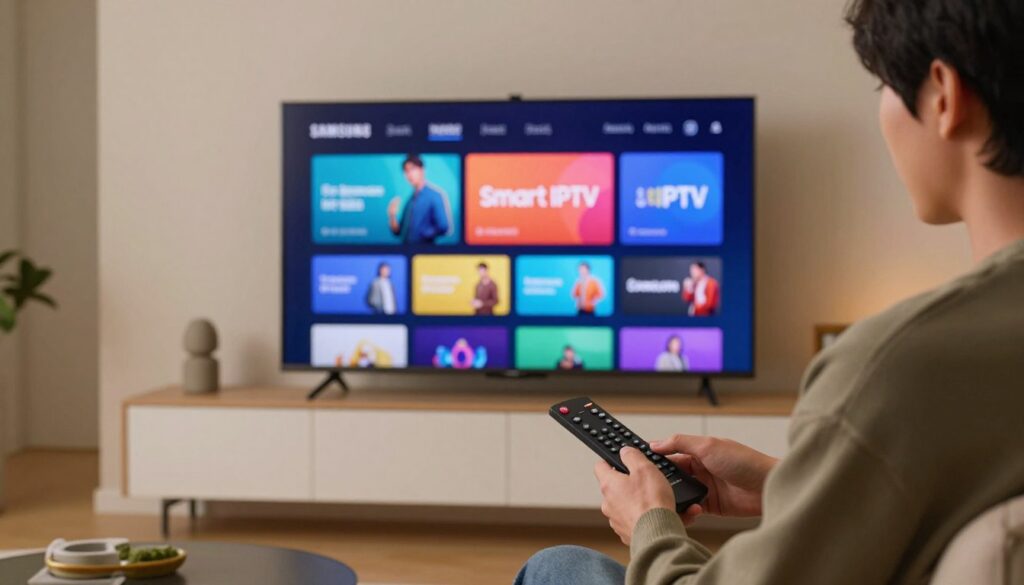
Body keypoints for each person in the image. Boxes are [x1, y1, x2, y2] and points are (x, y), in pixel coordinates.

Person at [518, 1, 1024, 584]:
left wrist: (651, 523)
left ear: (943, 95)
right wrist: (795, 484)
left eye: (883, 84)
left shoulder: (894, 367)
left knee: (556, 567)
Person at [387, 154, 453, 244]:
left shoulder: (435, 196)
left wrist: (423, 234)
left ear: (422, 170)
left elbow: (444, 227)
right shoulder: (410, 201)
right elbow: (399, 232)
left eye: (412, 169)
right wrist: (392, 216)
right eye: (406, 171)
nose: (409, 174)